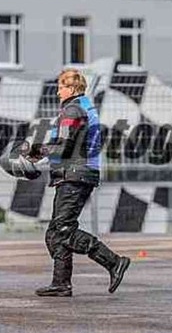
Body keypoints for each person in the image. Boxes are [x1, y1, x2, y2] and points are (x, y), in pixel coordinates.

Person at [31, 68, 131, 297]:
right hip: (77, 173)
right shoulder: (80, 107)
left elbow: (65, 146)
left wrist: (39, 150)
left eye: (61, 87)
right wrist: (41, 153)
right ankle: (61, 284)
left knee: (63, 230)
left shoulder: (73, 109)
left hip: (76, 174)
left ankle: (114, 262)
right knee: (55, 232)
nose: (58, 92)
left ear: (72, 88)